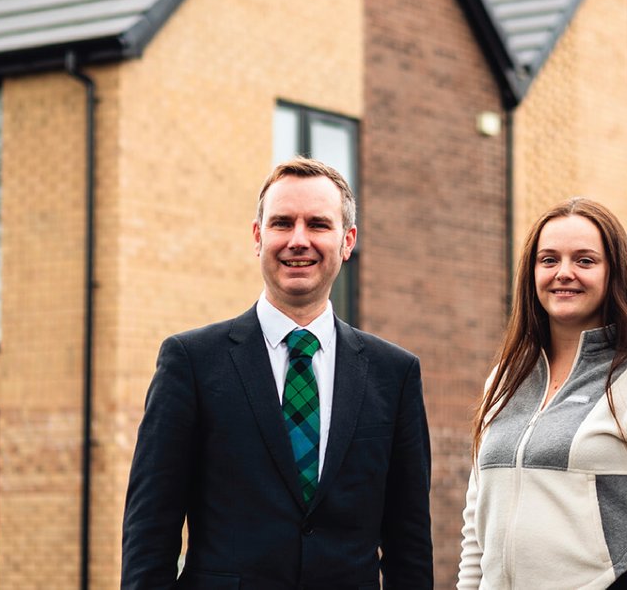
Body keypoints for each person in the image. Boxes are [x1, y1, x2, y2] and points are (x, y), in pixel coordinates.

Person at [121, 157, 433, 589]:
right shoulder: (190, 362)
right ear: (257, 236)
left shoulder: (394, 374)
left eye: (319, 225)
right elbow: (149, 531)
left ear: (347, 241)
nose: (298, 240)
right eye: (283, 223)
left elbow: (409, 542)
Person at [458, 198, 627, 589]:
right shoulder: (504, 382)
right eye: (549, 260)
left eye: (585, 261)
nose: (564, 273)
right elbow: (476, 527)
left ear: (614, 274)